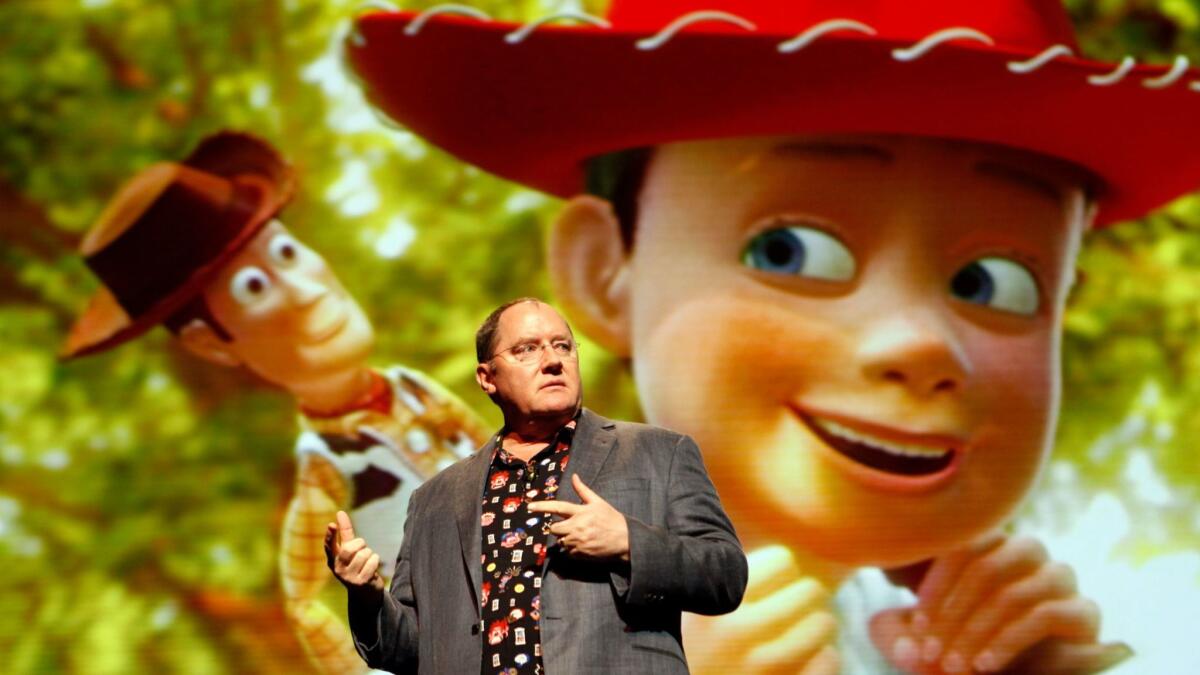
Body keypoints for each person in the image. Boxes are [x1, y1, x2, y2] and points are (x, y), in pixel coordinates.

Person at [343, 0, 1200, 672]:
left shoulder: (940, 635)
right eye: (791, 250)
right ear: (608, 269)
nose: (922, 342)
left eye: (994, 284)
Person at [61, 132, 490, 674]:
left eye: (287, 252)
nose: (305, 289)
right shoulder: (327, 472)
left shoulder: (415, 385)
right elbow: (306, 603)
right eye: (254, 287)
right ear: (210, 343)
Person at [325, 297, 747, 673]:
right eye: (527, 349)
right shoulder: (434, 499)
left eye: (563, 345)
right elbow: (408, 650)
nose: (553, 360)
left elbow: (725, 576)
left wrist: (628, 543)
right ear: (487, 378)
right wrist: (366, 594)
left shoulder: (658, 452)